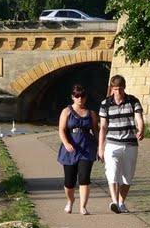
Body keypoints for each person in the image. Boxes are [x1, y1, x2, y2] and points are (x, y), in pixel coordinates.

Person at [98, 74, 144, 214]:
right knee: (112, 173)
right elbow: (103, 127)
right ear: (112, 89)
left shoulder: (133, 101)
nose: (118, 92)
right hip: (112, 143)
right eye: (115, 89)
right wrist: (101, 147)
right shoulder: (105, 104)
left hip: (130, 143)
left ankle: (121, 201)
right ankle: (114, 201)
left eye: (120, 89)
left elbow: (139, 118)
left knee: (127, 177)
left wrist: (141, 128)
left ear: (124, 88)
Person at [57, 84, 98, 215]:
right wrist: (66, 143)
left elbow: (96, 131)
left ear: (85, 97)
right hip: (70, 148)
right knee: (69, 182)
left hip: (87, 147)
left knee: (84, 178)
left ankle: (83, 207)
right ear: (73, 97)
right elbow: (61, 130)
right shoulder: (66, 112)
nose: (80, 98)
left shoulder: (91, 114)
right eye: (77, 96)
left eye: (82, 96)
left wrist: (100, 147)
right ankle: (70, 200)